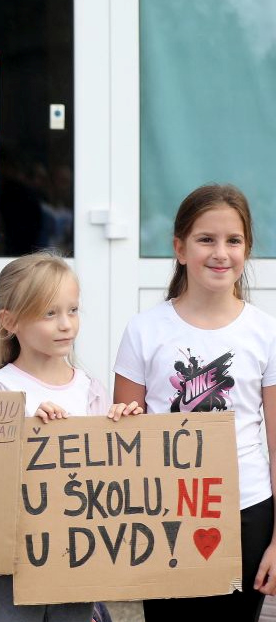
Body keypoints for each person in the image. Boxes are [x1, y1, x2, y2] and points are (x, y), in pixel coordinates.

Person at [114, 184, 276, 620]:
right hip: (162, 515)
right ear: (180, 248)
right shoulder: (144, 330)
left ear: (247, 250)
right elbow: (123, 441)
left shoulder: (266, 332)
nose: (221, 253)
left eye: (233, 240)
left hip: (246, 512)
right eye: (206, 239)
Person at [0, 251, 140, 622]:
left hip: (79, 554)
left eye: (73, 310)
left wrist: (124, 428)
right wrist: (25, 427)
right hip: (14, 562)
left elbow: (112, 475)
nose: (66, 324)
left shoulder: (90, 390)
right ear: (10, 321)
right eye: (49, 313)